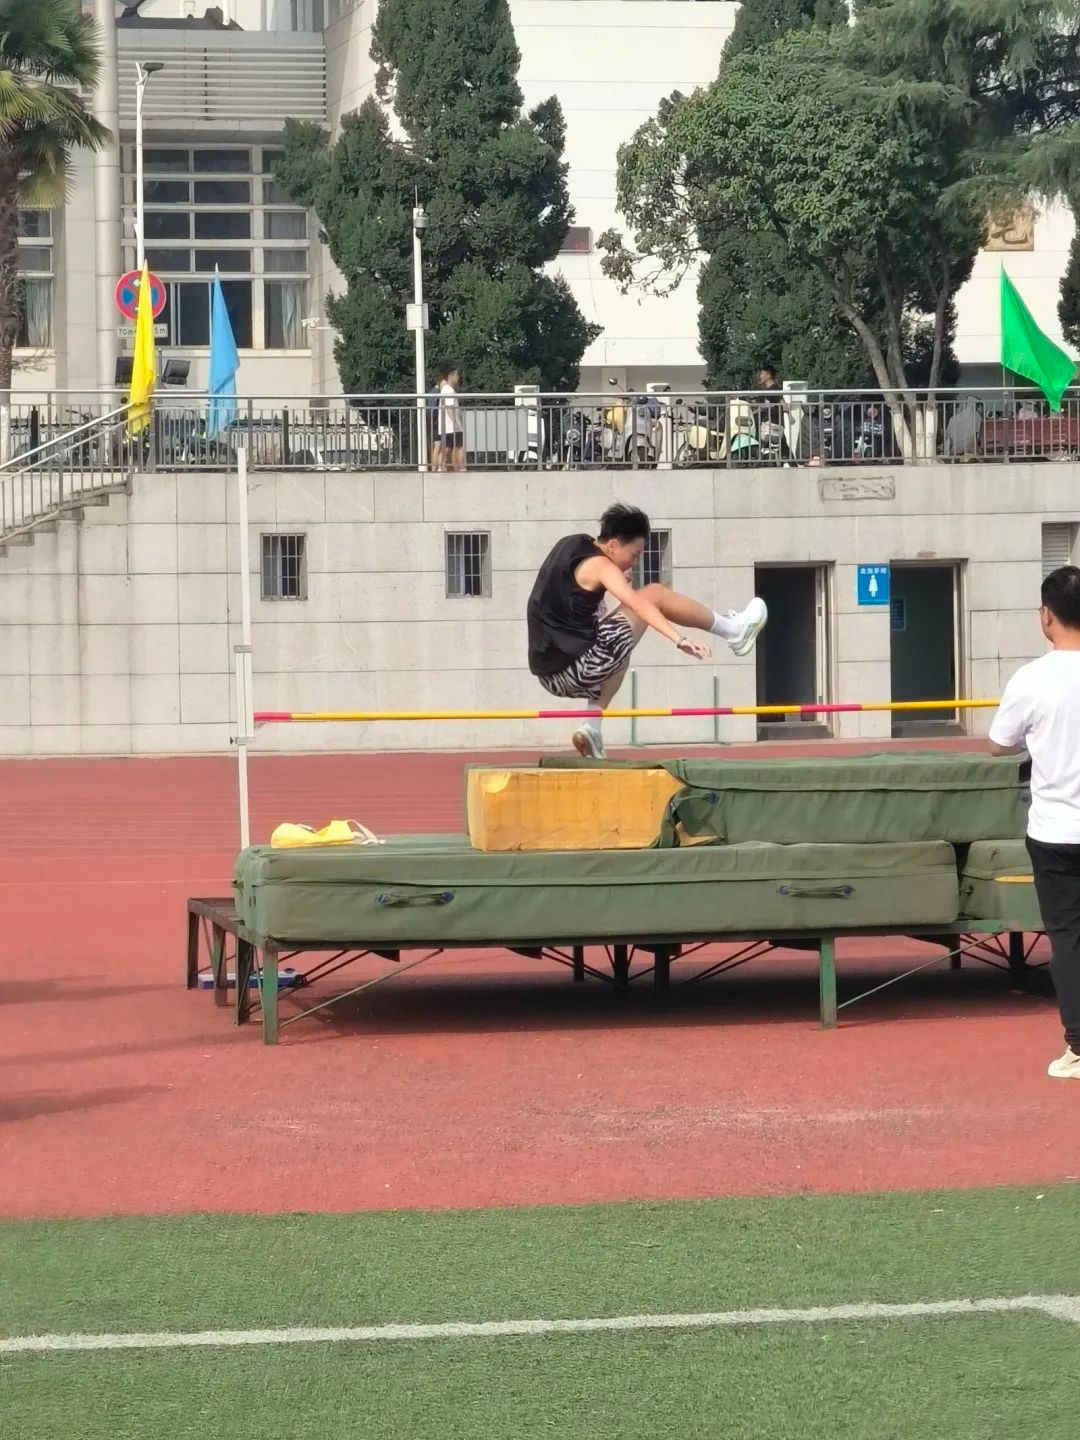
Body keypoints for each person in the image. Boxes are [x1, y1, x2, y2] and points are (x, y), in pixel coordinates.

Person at [527, 503, 768, 758]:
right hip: (579, 668)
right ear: (613, 545)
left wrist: (612, 581)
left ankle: (592, 727)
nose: (634, 563)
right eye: (634, 555)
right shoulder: (602, 566)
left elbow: (564, 597)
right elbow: (640, 605)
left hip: (549, 675)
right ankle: (733, 630)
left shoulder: (573, 544)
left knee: (621, 649)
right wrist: (679, 639)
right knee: (654, 593)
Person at [988, 565, 1080, 1079]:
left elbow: (999, 744)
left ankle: (1079, 1048)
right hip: (1056, 830)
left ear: (1046, 616)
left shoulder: (1032, 678)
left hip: (1056, 831)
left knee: (1068, 937)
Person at [432, 362, 466, 473]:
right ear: (451, 376)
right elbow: (449, 407)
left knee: (446, 448)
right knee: (459, 447)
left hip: (445, 426)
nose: (458, 377)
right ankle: (461, 467)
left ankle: (441, 467)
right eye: (456, 375)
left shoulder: (445, 389)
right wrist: (455, 422)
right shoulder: (449, 390)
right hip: (452, 426)